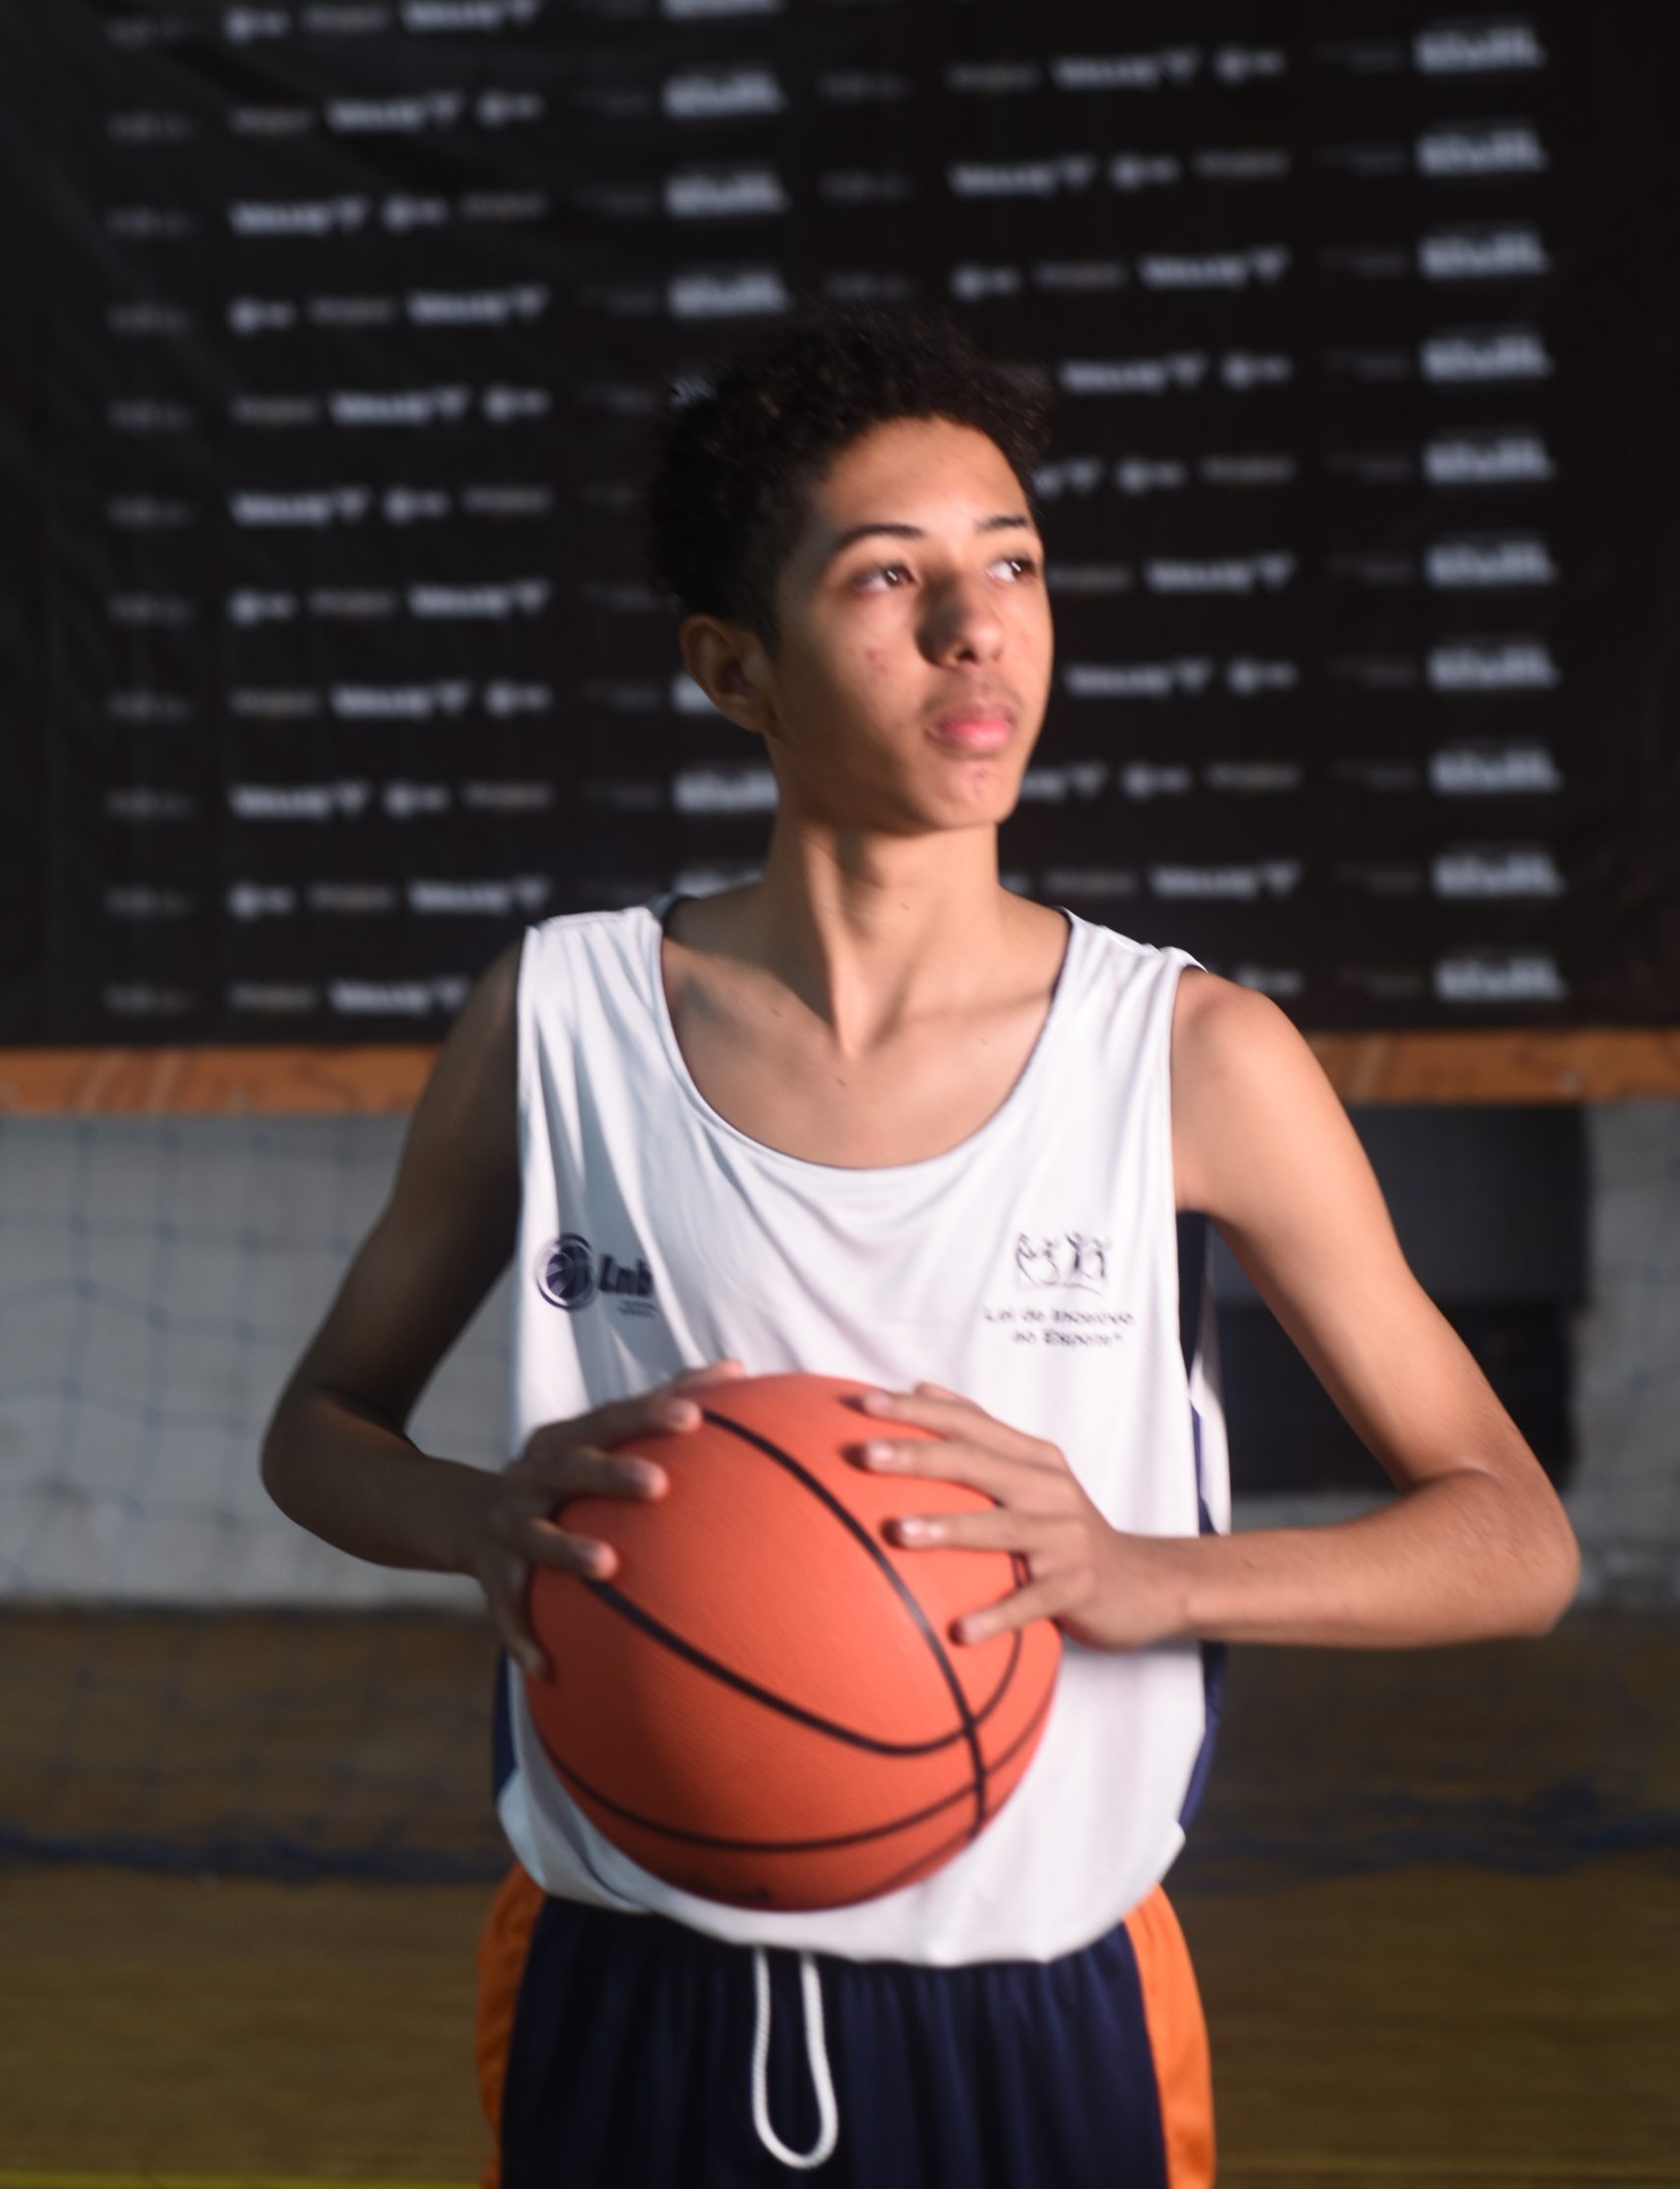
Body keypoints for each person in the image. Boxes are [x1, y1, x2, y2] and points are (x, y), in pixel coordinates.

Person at [261, 300, 1579, 2189]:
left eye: (1013, 564)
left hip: (1044, 2013)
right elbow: (318, 1431)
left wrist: (1152, 1576)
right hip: (631, 1978)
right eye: (890, 576)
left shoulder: (1190, 1054)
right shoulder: (562, 1016)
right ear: (735, 667)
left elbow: (1514, 1540)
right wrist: (478, 1522)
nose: (978, 629)